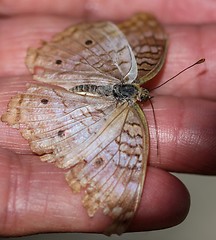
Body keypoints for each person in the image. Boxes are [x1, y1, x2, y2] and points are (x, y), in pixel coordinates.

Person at [0, 0, 215, 236]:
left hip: (89, 76)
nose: (143, 95)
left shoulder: (131, 115)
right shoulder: (134, 119)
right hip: (84, 99)